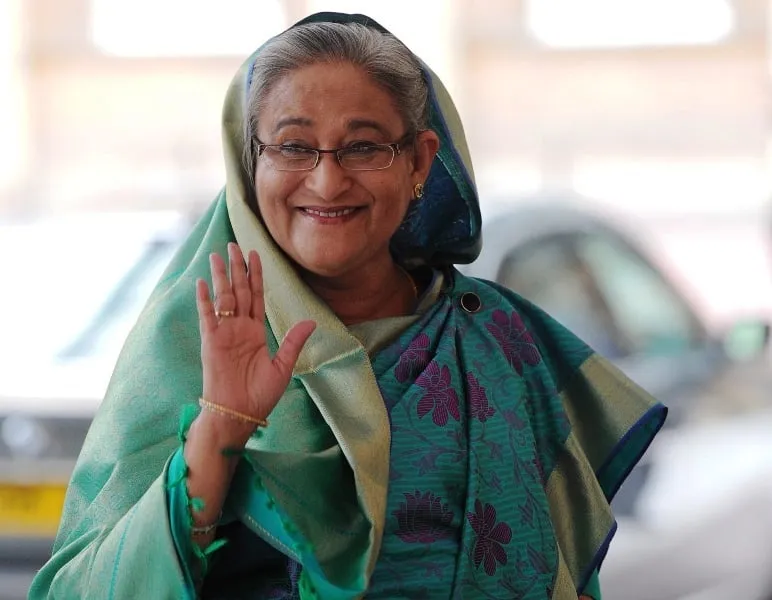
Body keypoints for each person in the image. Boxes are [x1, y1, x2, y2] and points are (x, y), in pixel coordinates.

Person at [29, 12, 666, 600]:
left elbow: (565, 577)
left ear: (418, 161)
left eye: (363, 147)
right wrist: (220, 427)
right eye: (293, 145)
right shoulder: (189, 343)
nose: (328, 181)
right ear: (250, 164)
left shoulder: (498, 342)